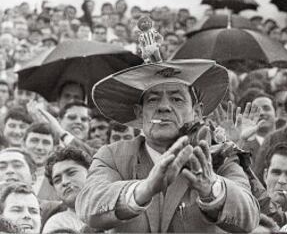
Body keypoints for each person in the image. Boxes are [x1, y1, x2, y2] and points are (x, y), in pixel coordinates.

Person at [76, 59, 260, 232]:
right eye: (153, 99)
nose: (164, 107)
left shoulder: (218, 156)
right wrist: (145, 189)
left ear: (196, 112)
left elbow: (249, 217)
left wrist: (211, 187)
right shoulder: (113, 156)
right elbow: (88, 205)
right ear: (140, 114)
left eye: (177, 100)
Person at [43, 147, 91, 233]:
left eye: (71, 173)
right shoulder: (57, 224)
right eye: (57, 180)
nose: (64, 182)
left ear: (91, 173)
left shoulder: (117, 210)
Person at [22, 122, 58, 200]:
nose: (39, 147)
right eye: (34, 141)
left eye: (46, 143)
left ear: (54, 149)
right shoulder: (10, 173)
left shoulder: (57, 182)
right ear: (23, 144)